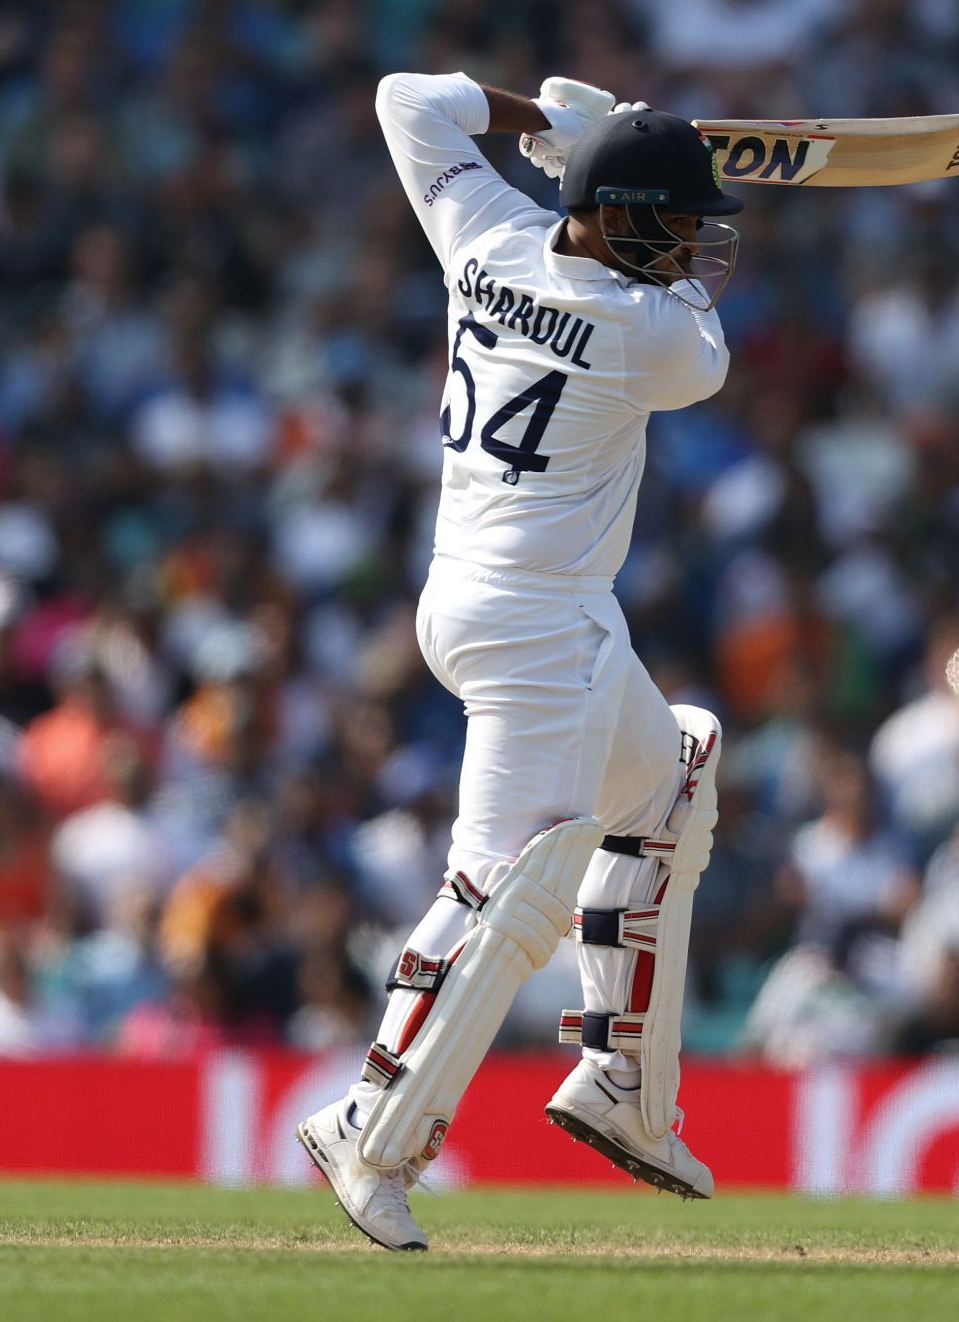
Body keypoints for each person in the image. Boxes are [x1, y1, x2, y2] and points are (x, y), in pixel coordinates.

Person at [297, 72, 742, 1250]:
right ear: (629, 215)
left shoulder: (484, 228)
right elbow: (705, 354)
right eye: (682, 222)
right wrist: (590, 153)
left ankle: (624, 1091)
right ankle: (370, 1128)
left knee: (669, 780)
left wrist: (536, 123)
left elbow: (401, 99)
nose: (697, 242)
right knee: (505, 882)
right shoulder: (648, 329)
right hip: (543, 625)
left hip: (467, 592)